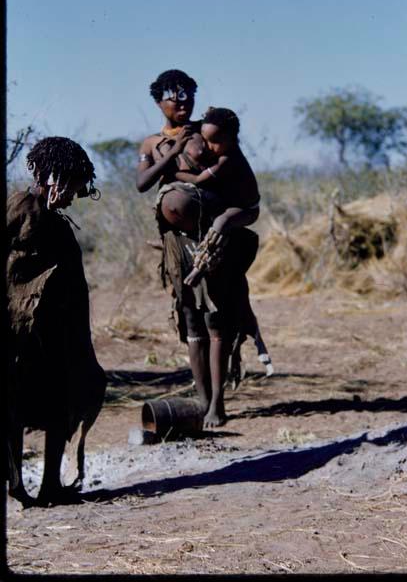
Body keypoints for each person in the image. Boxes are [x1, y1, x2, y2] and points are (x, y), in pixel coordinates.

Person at [137, 71, 271, 427]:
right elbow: (142, 183)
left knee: (217, 319)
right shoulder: (151, 143)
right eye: (173, 97)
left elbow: (240, 179)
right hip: (177, 243)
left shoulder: (209, 133)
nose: (182, 102)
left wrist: (231, 217)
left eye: (188, 96)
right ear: (158, 101)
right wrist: (175, 152)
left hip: (213, 242)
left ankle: (218, 403)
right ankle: (201, 399)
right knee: (191, 319)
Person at [7, 137, 106, 506]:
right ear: (51, 177)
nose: (73, 197)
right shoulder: (20, 208)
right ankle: (17, 485)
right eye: (71, 187)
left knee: (59, 403)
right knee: (14, 408)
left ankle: (51, 485)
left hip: (57, 334)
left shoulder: (56, 221)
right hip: (21, 334)